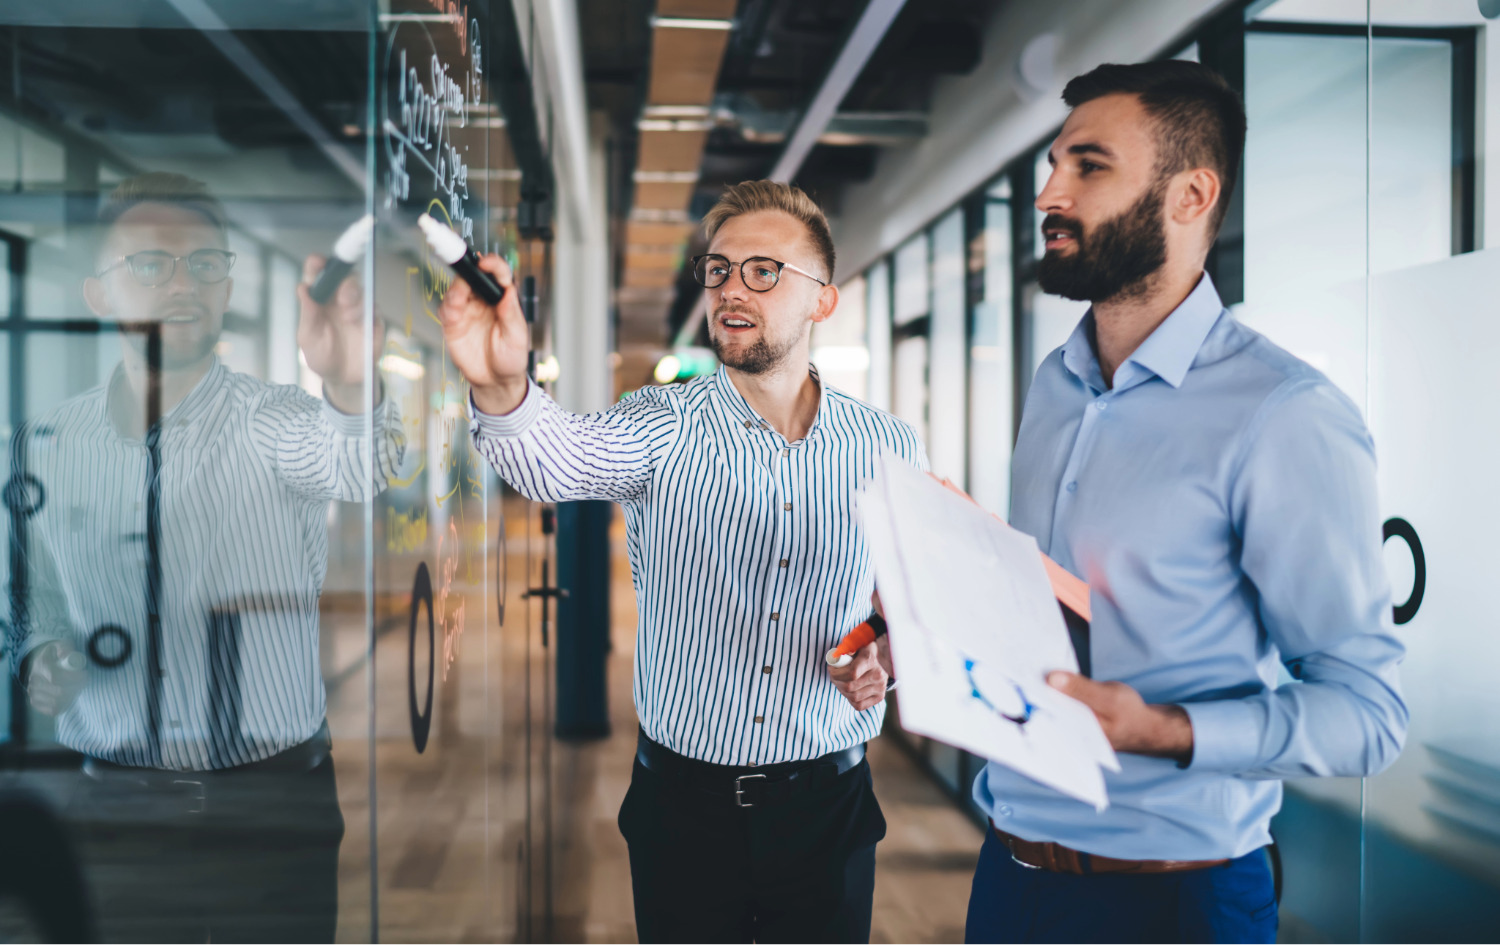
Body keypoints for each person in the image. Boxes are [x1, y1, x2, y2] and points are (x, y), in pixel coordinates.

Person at [963, 60, 1408, 944]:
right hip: (1009, 875)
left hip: (1173, 906)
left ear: (1189, 195)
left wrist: (1164, 728)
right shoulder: (1056, 382)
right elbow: (1056, 608)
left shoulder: (1284, 414)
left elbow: (1368, 713)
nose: (1049, 191)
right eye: (1054, 163)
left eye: (1088, 165)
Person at [440, 180, 925, 942]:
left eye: (764, 271)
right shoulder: (661, 424)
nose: (733, 288)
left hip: (828, 804)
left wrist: (881, 655)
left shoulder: (890, 445)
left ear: (822, 301)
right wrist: (501, 383)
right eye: (720, 269)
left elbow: (901, 602)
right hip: (686, 811)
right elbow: (553, 464)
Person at [9, 172, 403, 941]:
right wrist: (37, 654)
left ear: (227, 289)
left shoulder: (278, 421)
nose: (183, 283)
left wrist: (350, 379)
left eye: (206, 265)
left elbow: (362, 464)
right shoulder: (42, 444)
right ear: (98, 293)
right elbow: (31, 596)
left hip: (271, 805)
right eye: (152, 265)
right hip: (113, 808)